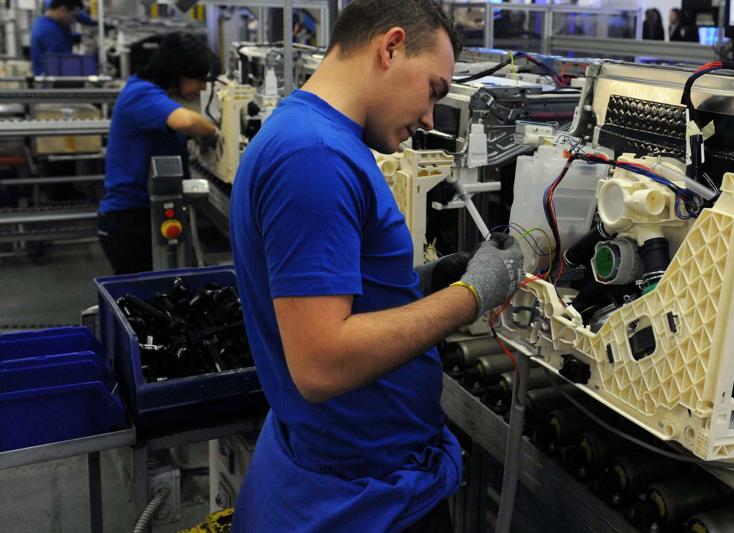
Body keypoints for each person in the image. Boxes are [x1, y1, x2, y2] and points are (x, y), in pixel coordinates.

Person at [228, 0, 525, 531]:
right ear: (390, 48)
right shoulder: (315, 157)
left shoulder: (315, 134)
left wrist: (421, 284)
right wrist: (471, 296)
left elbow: (330, 292)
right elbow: (321, 364)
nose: (430, 117)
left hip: (356, 465)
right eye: (433, 89)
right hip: (360, 497)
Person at [97, 32, 219, 275]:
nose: (203, 87)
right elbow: (187, 122)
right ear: (178, 71)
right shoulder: (142, 94)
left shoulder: (145, 91)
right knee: (143, 294)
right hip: (129, 220)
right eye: (199, 78)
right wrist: (214, 134)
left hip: (141, 214)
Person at [30, 0, 83, 75]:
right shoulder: (50, 31)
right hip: (52, 80)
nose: (73, 20)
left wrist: (79, 37)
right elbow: (64, 65)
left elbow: (65, 35)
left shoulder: (44, 22)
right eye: (73, 16)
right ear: (62, 10)